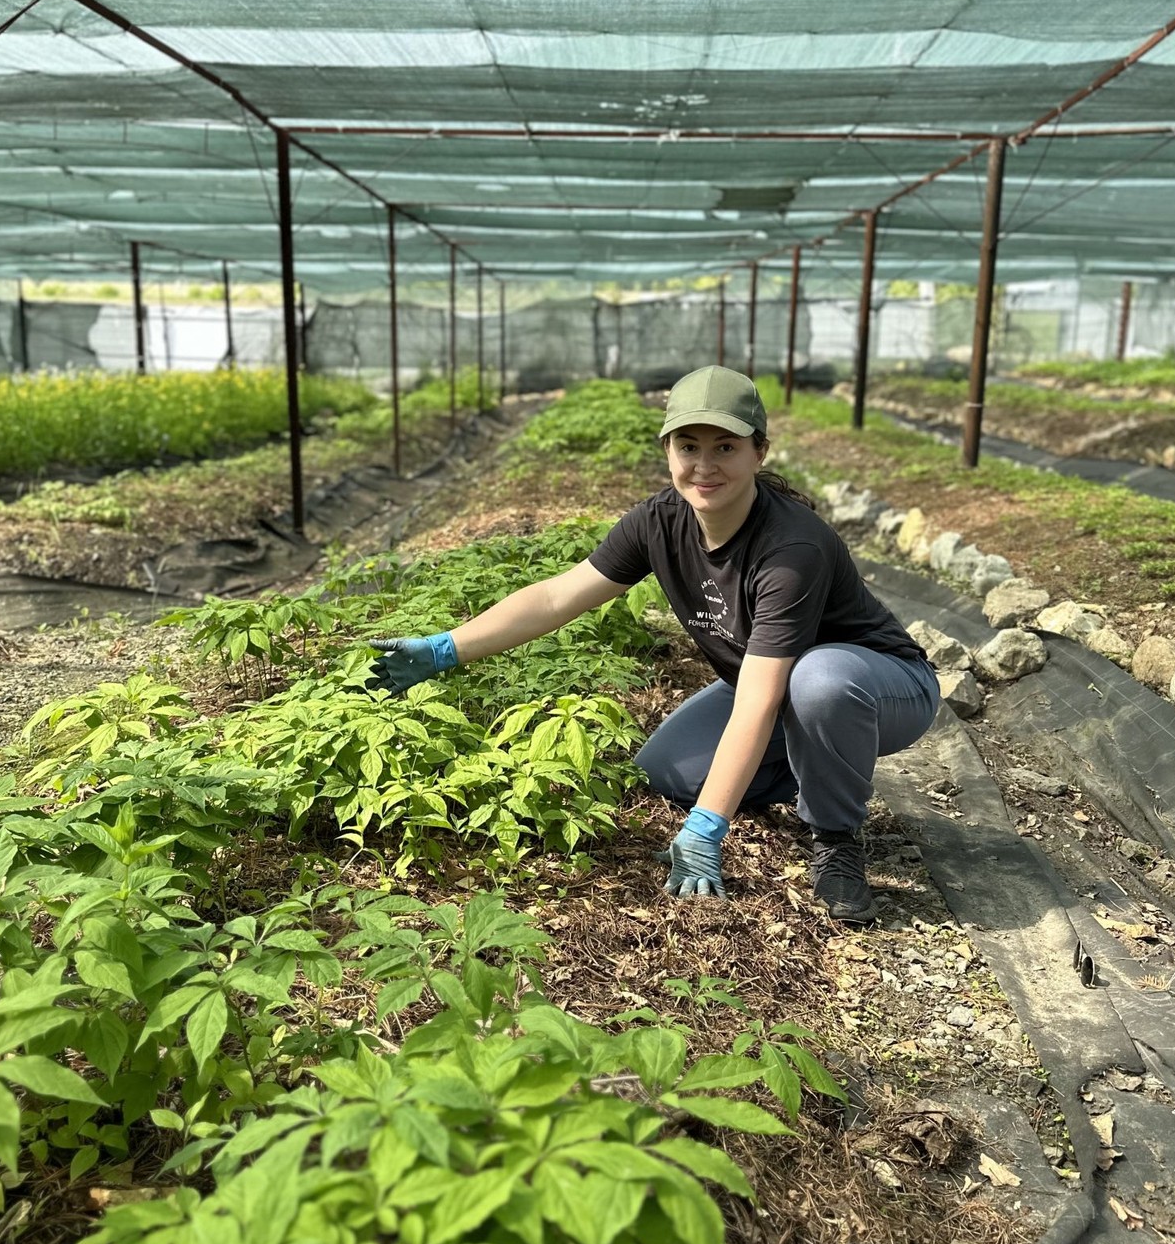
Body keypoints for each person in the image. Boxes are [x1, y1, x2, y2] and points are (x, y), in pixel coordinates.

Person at [370, 365, 940, 924]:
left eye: (725, 448)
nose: (704, 466)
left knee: (819, 681)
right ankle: (817, 764)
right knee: (666, 772)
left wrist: (707, 827)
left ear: (758, 453)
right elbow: (556, 597)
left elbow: (761, 700)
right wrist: (447, 648)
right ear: (667, 450)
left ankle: (836, 839)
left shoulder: (793, 548)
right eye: (688, 446)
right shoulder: (659, 522)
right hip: (773, 687)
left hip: (878, 687)